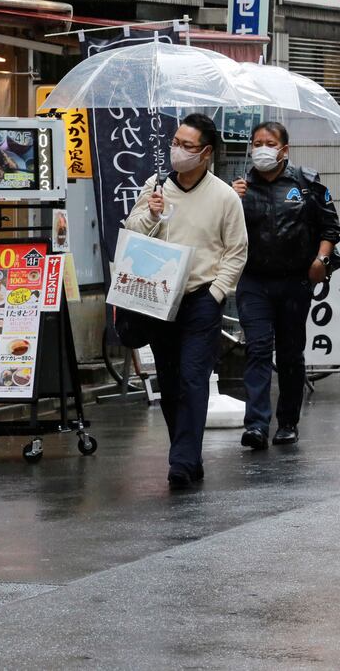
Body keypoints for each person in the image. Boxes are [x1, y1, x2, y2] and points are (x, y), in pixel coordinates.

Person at [125, 113, 248, 489]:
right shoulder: (156, 186)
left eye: (187, 145)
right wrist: (152, 213)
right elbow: (132, 231)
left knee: (194, 378)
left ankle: (180, 461)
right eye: (175, 142)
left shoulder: (224, 196)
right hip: (160, 299)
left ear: (206, 152)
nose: (177, 150)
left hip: (201, 299)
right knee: (170, 380)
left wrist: (216, 293)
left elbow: (236, 251)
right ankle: (189, 455)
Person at [231, 122, 340, 449]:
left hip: (295, 281)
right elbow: (222, 231)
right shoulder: (239, 187)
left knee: (291, 353)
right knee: (258, 348)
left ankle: (288, 422)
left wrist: (320, 260)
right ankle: (256, 424)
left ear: (284, 150)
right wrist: (232, 201)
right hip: (254, 281)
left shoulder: (306, 183)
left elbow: (330, 227)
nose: (262, 149)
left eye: (269, 143)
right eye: (256, 143)